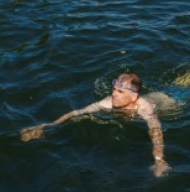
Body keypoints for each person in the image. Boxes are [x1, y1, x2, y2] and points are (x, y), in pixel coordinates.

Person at [20, 73, 171, 178]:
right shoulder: (108, 102)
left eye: (120, 91)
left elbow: (155, 131)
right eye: (113, 90)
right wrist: (46, 126)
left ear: (133, 96)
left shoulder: (144, 108)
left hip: (168, 102)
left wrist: (159, 160)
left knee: (185, 89)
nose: (113, 94)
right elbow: (76, 113)